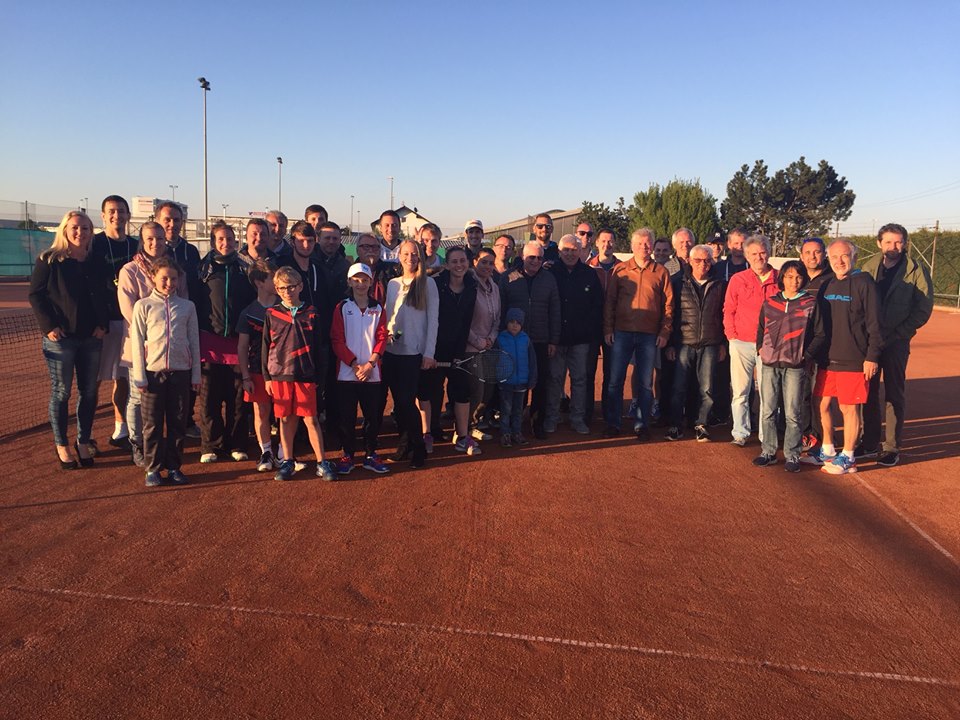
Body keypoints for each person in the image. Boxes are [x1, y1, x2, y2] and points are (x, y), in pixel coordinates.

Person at [29, 210, 111, 470]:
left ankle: (83, 440)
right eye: (75, 227)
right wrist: (49, 326)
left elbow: (107, 294)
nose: (80, 232)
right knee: (62, 392)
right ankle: (62, 444)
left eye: (85, 228)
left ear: (91, 232)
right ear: (65, 230)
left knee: (89, 392)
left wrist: (103, 325)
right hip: (61, 338)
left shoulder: (98, 260)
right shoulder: (49, 260)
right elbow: (36, 295)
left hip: (91, 337)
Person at [802, 239, 882, 475]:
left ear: (854, 257)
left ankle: (848, 457)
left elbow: (875, 324)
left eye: (844, 256)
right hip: (828, 359)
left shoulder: (864, 283)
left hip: (854, 359)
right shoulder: (827, 284)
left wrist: (872, 356)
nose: (839, 261)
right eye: (834, 257)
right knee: (822, 403)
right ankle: (827, 449)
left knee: (849, 408)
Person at [859, 223, 934, 467]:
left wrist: (900, 333)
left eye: (899, 242)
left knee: (894, 394)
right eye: (889, 242)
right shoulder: (868, 267)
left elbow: (922, 309)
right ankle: (869, 442)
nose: (894, 247)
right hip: (871, 342)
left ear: (905, 243)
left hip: (896, 342)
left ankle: (891, 447)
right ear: (879, 243)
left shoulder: (916, 270)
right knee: (867, 393)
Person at [118, 222, 187, 467]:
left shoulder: (176, 269)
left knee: (169, 404)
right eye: (150, 238)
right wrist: (151, 337)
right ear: (142, 240)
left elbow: (184, 304)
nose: (155, 243)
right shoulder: (129, 270)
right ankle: (138, 444)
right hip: (141, 348)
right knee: (138, 398)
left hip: (171, 351)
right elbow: (129, 310)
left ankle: (167, 452)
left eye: (159, 238)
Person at [262, 266, 338, 481]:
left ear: (301, 286)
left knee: (311, 419)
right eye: (283, 288)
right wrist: (267, 377)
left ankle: (322, 462)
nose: (288, 291)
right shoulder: (271, 314)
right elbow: (265, 347)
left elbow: (320, 348)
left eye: (292, 287)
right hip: (280, 376)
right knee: (286, 420)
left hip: (305, 375)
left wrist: (319, 379)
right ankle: (287, 461)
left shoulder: (312, 313)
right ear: (277, 289)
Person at [130, 257, 201, 486]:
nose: (169, 283)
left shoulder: (188, 306)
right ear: (153, 278)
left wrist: (196, 374)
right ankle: (152, 468)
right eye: (164, 278)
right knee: (152, 425)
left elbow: (194, 340)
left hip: (181, 373)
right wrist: (140, 376)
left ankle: (174, 467)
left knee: (177, 423)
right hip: (152, 375)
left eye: (173, 278)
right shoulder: (143, 306)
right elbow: (138, 343)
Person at [602, 228, 673, 440]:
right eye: (640, 243)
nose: (644, 246)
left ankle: (642, 423)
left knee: (644, 382)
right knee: (615, 380)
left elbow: (668, 306)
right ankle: (613, 422)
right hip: (621, 333)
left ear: (652, 246)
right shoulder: (620, 270)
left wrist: (665, 332)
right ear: (632, 246)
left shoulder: (661, 272)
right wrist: (608, 329)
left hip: (649, 335)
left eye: (647, 243)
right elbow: (610, 303)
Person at [195, 221, 256, 463]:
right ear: (213, 242)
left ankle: (237, 443)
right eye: (220, 239)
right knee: (210, 397)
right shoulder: (203, 270)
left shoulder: (246, 269)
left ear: (236, 241)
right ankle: (211, 445)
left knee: (237, 398)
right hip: (210, 342)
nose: (225, 243)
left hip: (237, 343)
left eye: (229, 239)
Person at [753, 260, 818, 472]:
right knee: (768, 410)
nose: (794, 281)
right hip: (770, 363)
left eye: (798, 277)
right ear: (782, 279)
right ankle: (768, 451)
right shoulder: (771, 302)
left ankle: (792, 454)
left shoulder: (810, 303)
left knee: (792, 412)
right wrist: (760, 348)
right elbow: (761, 327)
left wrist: (805, 355)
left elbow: (820, 334)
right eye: (789, 277)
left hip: (795, 365)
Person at [330, 262, 390, 475]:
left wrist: (371, 363)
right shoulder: (342, 307)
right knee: (347, 418)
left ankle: (370, 454)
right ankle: (348, 454)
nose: (360, 283)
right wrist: (356, 364)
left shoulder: (378, 308)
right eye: (356, 279)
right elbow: (337, 340)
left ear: (371, 282)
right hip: (347, 373)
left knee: (372, 416)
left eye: (364, 280)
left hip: (372, 373)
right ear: (349, 282)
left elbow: (382, 337)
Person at [383, 240, 439, 468]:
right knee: (399, 402)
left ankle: (418, 448)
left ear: (420, 256)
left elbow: (433, 321)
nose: (410, 257)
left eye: (414, 253)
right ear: (399, 256)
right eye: (405, 253)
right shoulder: (392, 284)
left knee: (407, 402)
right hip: (391, 351)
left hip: (414, 353)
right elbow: (388, 317)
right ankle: (405, 445)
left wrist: (429, 353)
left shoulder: (428, 284)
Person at [419, 246, 480, 455]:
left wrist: (458, 354)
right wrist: (429, 352)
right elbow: (427, 319)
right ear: (446, 264)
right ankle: (425, 434)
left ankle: (463, 437)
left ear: (468, 263)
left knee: (462, 392)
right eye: (454, 261)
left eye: (462, 261)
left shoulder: (472, 286)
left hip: (457, 351)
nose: (459, 265)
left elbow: (466, 322)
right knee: (427, 391)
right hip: (433, 349)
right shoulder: (434, 284)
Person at [664, 244, 726, 443]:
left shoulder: (720, 284)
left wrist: (722, 343)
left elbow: (724, 316)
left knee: (707, 388)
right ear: (689, 261)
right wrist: (671, 344)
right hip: (683, 343)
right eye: (698, 260)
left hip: (710, 343)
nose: (703, 265)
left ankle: (701, 424)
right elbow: (671, 315)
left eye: (707, 260)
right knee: (678, 387)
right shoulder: (677, 282)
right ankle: (675, 424)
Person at [499, 241, 560, 439]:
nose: (535, 261)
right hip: (515, 341)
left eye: (539, 258)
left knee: (540, 382)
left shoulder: (549, 279)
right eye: (531, 257)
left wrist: (553, 340)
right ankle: (515, 422)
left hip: (541, 339)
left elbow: (555, 310)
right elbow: (501, 310)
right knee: (517, 383)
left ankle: (537, 422)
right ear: (523, 257)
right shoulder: (508, 278)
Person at [723, 234, 778, 446]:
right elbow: (729, 309)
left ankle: (766, 436)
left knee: (768, 393)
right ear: (747, 255)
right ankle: (740, 432)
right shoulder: (739, 280)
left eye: (762, 252)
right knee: (740, 391)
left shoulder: (780, 278)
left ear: (769, 253)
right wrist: (732, 336)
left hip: (769, 345)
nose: (758, 257)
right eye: (753, 253)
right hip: (741, 342)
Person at [91, 195, 137, 448]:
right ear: (103, 215)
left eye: (121, 211)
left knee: (124, 377)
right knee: (93, 380)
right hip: (101, 323)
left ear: (128, 215)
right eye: (111, 211)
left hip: (128, 322)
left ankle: (121, 428)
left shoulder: (137, 245)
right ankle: (85, 433)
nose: (116, 215)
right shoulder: (94, 243)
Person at [548, 234, 602, 434]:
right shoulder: (550, 272)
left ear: (580, 251)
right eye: (566, 250)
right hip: (557, 338)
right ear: (559, 251)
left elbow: (597, 306)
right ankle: (552, 418)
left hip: (581, 340)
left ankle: (577, 419)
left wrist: (590, 332)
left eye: (574, 250)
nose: (570, 254)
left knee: (580, 380)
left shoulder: (589, 274)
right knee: (555, 379)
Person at [236, 259, 281, 472]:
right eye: (273, 278)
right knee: (261, 412)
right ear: (259, 282)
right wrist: (245, 377)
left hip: (283, 372)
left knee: (285, 412)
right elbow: (242, 347)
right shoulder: (247, 312)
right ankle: (266, 452)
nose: (279, 283)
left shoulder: (285, 307)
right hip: (256, 372)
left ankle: (284, 453)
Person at [797, 236, 834, 450]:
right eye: (808, 252)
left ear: (824, 254)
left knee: (821, 397)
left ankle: (823, 438)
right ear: (801, 256)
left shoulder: (833, 278)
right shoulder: (797, 278)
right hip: (801, 347)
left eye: (817, 251)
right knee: (802, 394)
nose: (812, 256)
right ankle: (806, 434)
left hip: (826, 347)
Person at [465, 247, 501, 437]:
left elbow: (497, 319)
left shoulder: (494, 287)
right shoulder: (468, 285)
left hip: (488, 346)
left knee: (487, 391)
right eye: (484, 262)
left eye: (491, 263)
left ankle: (473, 424)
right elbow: (463, 320)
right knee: (476, 391)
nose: (488, 266)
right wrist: (478, 341)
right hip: (470, 348)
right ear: (474, 262)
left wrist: (490, 339)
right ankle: (463, 429)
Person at [586, 229, 620, 426]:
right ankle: (587, 412)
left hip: (615, 328)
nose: (607, 244)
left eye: (610, 241)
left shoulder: (623, 268)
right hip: (591, 327)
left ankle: (609, 412)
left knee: (611, 372)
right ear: (597, 243)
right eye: (603, 241)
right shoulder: (588, 267)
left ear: (614, 243)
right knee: (588, 371)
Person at [497, 308, 537, 447]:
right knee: (506, 410)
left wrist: (532, 378)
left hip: (521, 383)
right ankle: (505, 434)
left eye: (518, 323)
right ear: (506, 323)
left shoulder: (526, 340)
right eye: (511, 322)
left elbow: (532, 361)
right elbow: (494, 360)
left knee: (518, 410)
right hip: (506, 382)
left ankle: (517, 432)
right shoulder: (500, 339)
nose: (514, 325)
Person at [355, 232, 401, 306]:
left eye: (375, 247)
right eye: (366, 246)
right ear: (357, 250)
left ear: (380, 251)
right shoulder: (348, 273)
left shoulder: (391, 272)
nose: (371, 250)